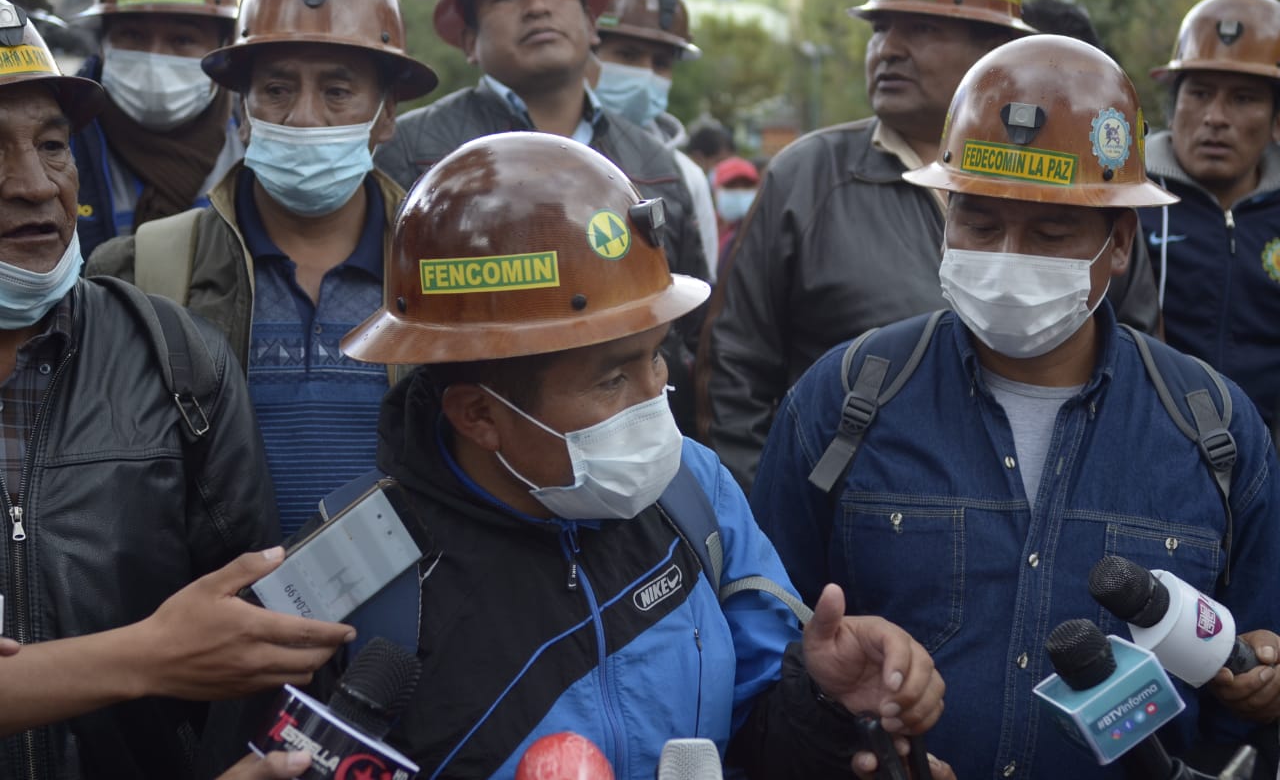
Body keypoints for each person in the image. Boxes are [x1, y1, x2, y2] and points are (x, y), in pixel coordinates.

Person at [209, 131, 948, 780]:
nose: (657, 392)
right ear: (478, 413)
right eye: (612, 376)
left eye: (657, 355)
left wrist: (821, 698)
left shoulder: (698, 494)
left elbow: (766, 733)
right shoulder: (349, 579)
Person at [750, 34, 1280, 779]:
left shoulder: (1214, 431)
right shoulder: (844, 399)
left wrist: (1261, 685)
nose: (1007, 257)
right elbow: (759, 656)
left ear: (1120, 241)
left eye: (1052, 231)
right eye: (980, 222)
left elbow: (1249, 682)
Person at [0, 0, 353, 778]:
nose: (31, 184)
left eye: (54, 145)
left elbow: (245, 643)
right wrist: (151, 653)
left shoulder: (176, 357)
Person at [702, 0, 1161, 491]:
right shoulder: (806, 177)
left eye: (922, 29)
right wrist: (760, 534)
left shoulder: (1082, 179)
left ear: (994, 46)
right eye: (880, 28)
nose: (888, 49)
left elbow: (1137, 354)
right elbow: (734, 370)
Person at [86, 0, 438, 536]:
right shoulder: (139, 271)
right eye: (276, 89)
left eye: (337, 90)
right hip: (214, 617)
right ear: (241, 112)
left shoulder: (441, 269)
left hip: (417, 620)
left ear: (385, 115)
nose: (303, 116)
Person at [373, 0, 710, 435]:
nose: (535, 8)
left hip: (632, 450)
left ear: (592, 21)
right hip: (477, 452)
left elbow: (692, 336)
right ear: (468, 40)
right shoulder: (409, 152)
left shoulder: (662, 166)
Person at [1138, 0, 1280, 437]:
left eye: (1243, 99)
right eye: (1199, 93)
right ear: (1174, 103)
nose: (1215, 117)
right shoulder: (1127, 198)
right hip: (1149, 446)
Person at [70, 0, 245, 259]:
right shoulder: (58, 139)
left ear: (223, 44)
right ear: (103, 43)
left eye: (182, 39)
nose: (154, 59)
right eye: (133, 36)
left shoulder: (256, 144)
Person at [594, 0, 719, 277]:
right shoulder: (548, 150)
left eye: (661, 63)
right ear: (587, 50)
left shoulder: (684, 176)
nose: (646, 74)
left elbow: (701, 288)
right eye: (628, 55)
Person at [710, 155, 759, 275]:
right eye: (731, 186)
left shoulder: (763, 231)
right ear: (716, 190)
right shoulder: (705, 228)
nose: (739, 191)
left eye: (746, 186)